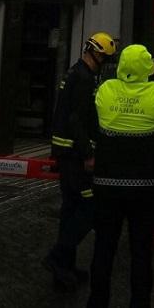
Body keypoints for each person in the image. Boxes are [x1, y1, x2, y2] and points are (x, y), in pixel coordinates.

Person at [86, 44, 154, 308]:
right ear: (148, 67)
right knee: (141, 252)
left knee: (103, 248)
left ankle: (97, 302)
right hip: (145, 191)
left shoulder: (106, 91)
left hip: (107, 187)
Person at [44, 31, 117, 289]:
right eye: (105, 58)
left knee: (71, 209)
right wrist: (88, 154)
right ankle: (57, 258)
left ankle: (64, 269)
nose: (106, 63)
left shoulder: (74, 73)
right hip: (75, 157)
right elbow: (77, 120)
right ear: (96, 54)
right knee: (89, 208)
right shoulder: (85, 79)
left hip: (67, 153)